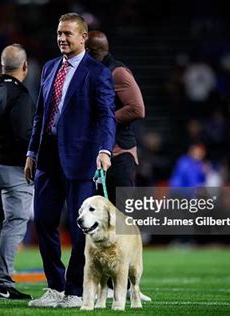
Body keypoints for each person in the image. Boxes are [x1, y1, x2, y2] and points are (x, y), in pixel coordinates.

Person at [25, 13, 115, 308]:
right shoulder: (50, 67)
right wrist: (31, 153)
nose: (62, 38)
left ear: (83, 37)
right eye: (59, 33)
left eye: (68, 34)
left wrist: (104, 149)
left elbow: (106, 115)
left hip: (81, 159)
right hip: (48, 157)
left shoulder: (96, 72)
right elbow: (40, 115)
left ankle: (76, 291)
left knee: (80, 229)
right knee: (44, 221)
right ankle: (55, 287)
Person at [85, 30, 152, 302]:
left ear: (90, 49)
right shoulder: (91, 70)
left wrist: (106, 119)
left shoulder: (118, 72)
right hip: (97, 154)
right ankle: (103, 286)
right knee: (96, 221)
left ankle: (130, 287)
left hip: (120, 153)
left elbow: (137, 108)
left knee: (123, 221)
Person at [0, 44, 35, 300]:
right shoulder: (20, 96)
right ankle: (2, 282)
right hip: (12, 168)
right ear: (24, 67)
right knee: (14, 223)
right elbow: (24, 136)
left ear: (3, 66)